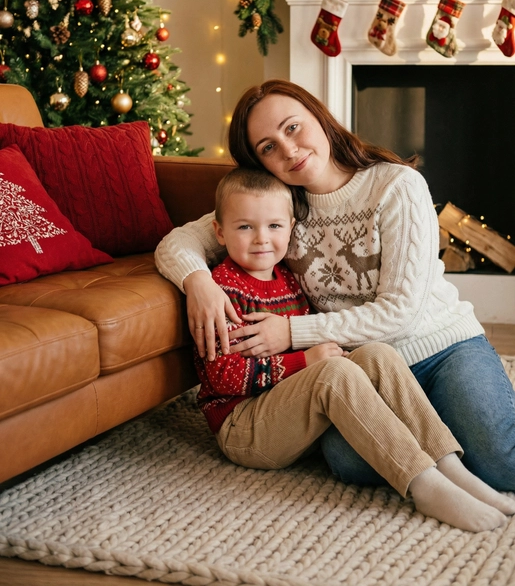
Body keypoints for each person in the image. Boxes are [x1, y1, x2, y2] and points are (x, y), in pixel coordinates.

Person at [155, 78, 515, 495]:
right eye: (268, 147)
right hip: (362, 366)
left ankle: (449, 429)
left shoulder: (396, 185)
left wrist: (288, 333)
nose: (288, 150)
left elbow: (401, 314)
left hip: (441, 348)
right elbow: (178, 243)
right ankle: (433, 438)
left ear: (320, 117)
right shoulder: (278, 206)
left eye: (292, 127)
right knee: (346, 461)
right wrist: (197, 280)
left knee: (500, 463)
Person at [189, 165, 515, 532]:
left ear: (291, 229)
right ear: (219, 231)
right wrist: (305, 360)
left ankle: (449, 467)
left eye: (275, 226)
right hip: (244, 425)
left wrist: (330, 358)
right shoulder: (223, 290)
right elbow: (222, 375)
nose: (261, 238)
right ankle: (424, 484)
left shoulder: (289, 279)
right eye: (245, 227)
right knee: (333, 373)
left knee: (376, 353)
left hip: (288, 408)